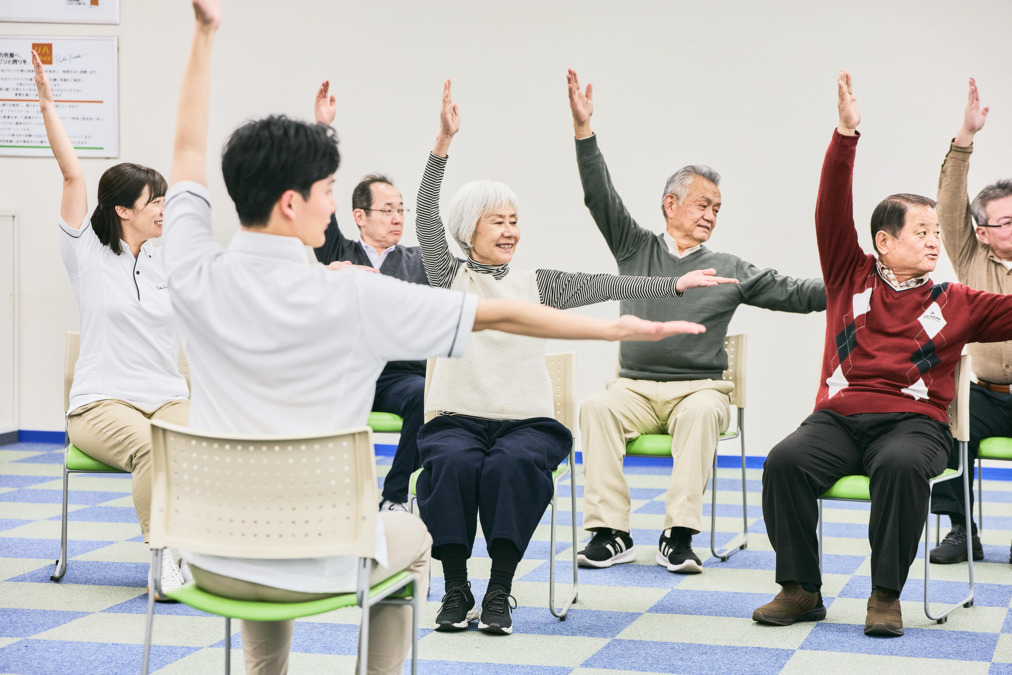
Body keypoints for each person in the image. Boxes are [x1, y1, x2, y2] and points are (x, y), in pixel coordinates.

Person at [165, 4, 706, 672]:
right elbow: (500, 317)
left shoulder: (192, 271)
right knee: (410, 538)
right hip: (322, 558)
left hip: (209, 558)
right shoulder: (355, 294)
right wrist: (612, 327)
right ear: (292, 202)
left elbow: (186, 154)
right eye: (329, 190)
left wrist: (202, 36)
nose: (336, 204)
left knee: (291, 540)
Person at [414, 80, 736, 637]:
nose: (510, 231)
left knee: (513, 467)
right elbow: (425, 217)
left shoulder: (536, 283)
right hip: (458, 419)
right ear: (469, 230)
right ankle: (456, 588)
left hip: (526, 423)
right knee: (452, 466)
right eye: (498, 221)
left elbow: (607, 283)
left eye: (514, 220)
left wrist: (673, 285)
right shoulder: (451, 277)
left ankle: (499, 590)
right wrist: (442, 142)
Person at [754, 71, 1012, 638]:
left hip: (915, 424)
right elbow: (830, 207)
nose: (934, 240)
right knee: (783, 462)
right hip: (838, 420)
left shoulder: (959, 301)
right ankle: (800, 589)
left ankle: (884, 595)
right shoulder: (850, 276)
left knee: (899, 466)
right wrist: (845, 136)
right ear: (883, 242)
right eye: (921, 231)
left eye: (936, 233)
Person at [565, 69, 826, 574]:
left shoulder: (729, 268)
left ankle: (678, 535)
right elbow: (599, 194)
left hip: (699, 390)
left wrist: (854, 282)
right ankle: (610, 532)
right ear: (671, 204)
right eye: (703, 204)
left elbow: (796, 293)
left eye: (717, 209)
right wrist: (583, 131)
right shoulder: (634, 247)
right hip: (634, 389)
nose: (711, 215)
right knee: (596, 408)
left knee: (705, 412)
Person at [32, 50, 190, 597]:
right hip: (100, 404)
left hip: (166, 395)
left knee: (208, 439)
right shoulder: (88, 254)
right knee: (155, 448)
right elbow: (72, 173)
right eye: (155, 202)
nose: (164, 209)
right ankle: (163, 556)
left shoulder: (168, 261)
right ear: (123, 209)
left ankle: (203, 549)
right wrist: (48, 105)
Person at [311, 81, 427, 512]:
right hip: (347, 371)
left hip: (399, 377)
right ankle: (328, 497)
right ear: (359, 216)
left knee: (426, 394)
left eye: (401, 210)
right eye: (387, 210)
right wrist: (322, 131)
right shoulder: (338, 252)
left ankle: (394, 497)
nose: (397, 218)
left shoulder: (420, 260)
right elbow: (317, 196)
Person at [930, 78, 1012, 565]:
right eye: (1007, 221)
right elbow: (948, 202)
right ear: (981, 232)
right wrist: (965, 137)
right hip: (987, 393)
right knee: (943, 423)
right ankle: (962, 530)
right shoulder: (969, 253)